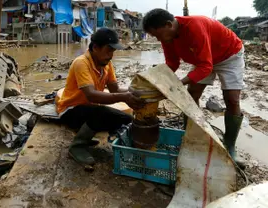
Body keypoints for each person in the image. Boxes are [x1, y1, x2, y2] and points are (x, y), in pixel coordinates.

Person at [142, 9, 245, 167]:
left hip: (228, 55)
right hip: (203, 59)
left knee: (232, 99)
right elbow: (172, 63)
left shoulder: (194, 27)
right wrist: (157, 80)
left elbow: (206, 66)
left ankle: (230, 145)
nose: (158, 39)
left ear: (169, 25)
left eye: (157, 35)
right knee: (191, 95)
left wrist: (178, 84)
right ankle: (191, 136)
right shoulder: (167, 37)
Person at [56, 28, 145, 166]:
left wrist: (136, 91)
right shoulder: (81, 63)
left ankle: (91, 135)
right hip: (70, 110)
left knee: (127, 119)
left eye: (113, 52)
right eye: (108, 50)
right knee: (101, 113)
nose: (111, 55)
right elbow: (91, 95)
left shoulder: (107, 65)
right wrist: (124, 97)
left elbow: (115, 89)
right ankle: (77, 146)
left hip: (89, 109)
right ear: (96, 47)